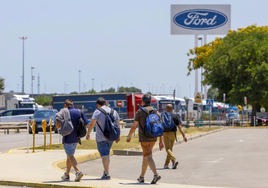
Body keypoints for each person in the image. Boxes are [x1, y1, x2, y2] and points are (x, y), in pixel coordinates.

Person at [126, 94, 164, 184]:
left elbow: (134, 125)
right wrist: (161, 141)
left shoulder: (140, 111)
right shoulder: (156, 111)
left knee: (148, 155)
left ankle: (156, 174)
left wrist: (129, 136)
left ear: (142, 102)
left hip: (144, 138)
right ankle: (141, 177)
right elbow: (160, 126)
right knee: (146, 156)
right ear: (150, 101)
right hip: (154, 137)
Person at [86, 97, 120, 180]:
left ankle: (107, 173)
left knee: (104, 154)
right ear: (105, 103)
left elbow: (92, 124)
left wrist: (88, 134)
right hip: (111, 137)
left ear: (98, 104)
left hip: (101, 137)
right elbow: (117, 125)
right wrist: (118, 135)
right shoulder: (114, 111)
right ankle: (105, 171)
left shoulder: (97, 111)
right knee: (107, 154)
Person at [56, 99, 89, 181]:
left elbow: (57, 123)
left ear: (65, 105)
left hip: (67, 137)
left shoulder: (64, 111)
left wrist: (60, 126)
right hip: (76, 138)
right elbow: (87, 123)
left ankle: (78, 171)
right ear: (72, 105)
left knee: (70, 155)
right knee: (69, 156)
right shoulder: (79, 112)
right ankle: (67, 174)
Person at [163, 104, 187, 169]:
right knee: (170, 149)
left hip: (165, 134)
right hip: (173, 134)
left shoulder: (163, 116)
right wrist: (184, 136)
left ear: (166, 108)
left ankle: (174, 160)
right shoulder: (175, 116)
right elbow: (180, 127)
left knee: (168, 149)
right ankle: (166, 164)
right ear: (172, 109)